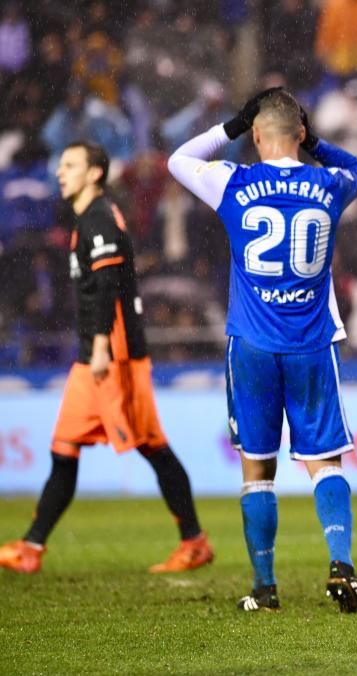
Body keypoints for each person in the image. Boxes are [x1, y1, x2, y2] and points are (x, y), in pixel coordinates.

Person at [167, 88, 357, 610]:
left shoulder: (232, 181)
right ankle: (342, 563)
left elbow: (178, 159)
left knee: (258, 469)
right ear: (301, 135)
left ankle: (265, 586)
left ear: (256, 137)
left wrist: (232, 125)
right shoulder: (330, 183)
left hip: (253, 346)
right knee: (325, 464)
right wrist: (316, 142)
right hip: (311, 345)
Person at [0, 142, 214, 575]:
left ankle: (194, 542)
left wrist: (100, 346)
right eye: (60, 165)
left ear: (95, 173)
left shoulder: (99, 220)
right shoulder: (90, 218)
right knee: (64, 449)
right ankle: (31, 547)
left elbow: (108, 286)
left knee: (153, 447)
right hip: (91, 357)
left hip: (113, 356)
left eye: (70, 165)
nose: (61, 173)